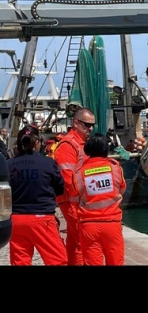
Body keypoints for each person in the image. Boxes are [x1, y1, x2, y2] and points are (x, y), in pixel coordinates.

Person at [6, 125, 67, 265]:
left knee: (20, 261)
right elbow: (60, 189)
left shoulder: (8, 165)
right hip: (42, 219)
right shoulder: (48, 163)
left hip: (16, 220)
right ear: (37, 142)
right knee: (57, 260)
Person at [71, 133, 126, 265]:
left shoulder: (79, 172)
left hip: (88, 225)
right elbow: (122, 189)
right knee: (116, 261)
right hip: (112, 223)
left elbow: (75, 198)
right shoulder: (115, 167)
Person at [53, 107, 95, 265]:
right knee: (80, 239)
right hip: (71, 200)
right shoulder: (68, 145)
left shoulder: (80, 144)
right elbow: (68, 178)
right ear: (75, 123)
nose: (90, 128)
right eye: (86, 125)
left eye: (92, 125)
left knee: (74, 238)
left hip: (76, 199)